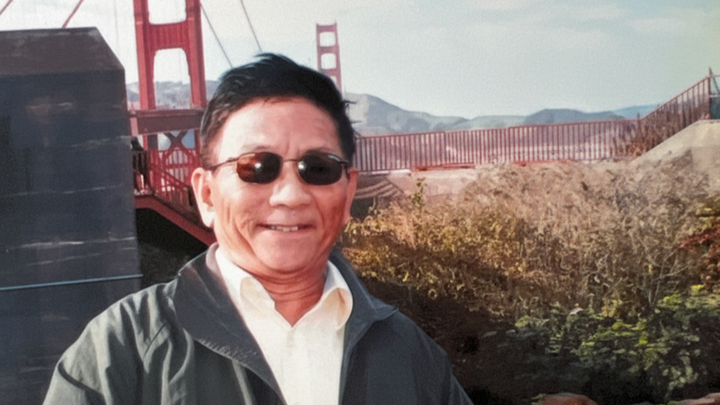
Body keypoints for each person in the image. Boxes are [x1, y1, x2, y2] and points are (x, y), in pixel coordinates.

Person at [43, 53, 473, 405]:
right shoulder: (122, 352)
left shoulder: (411, 357)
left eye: (318, 168)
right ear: (206, 195)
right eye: (256, 167)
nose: (290, 195)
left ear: (347, 194)